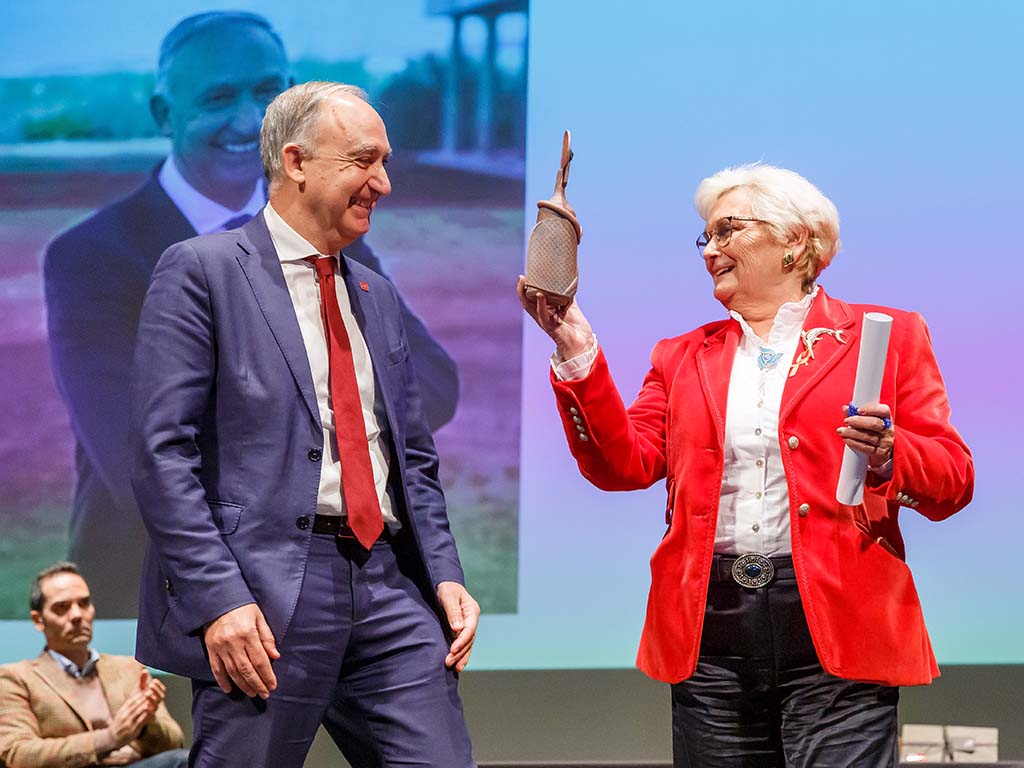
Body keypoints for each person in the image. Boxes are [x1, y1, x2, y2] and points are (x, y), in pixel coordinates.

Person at [519, 164, 974, 768]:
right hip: (712, 629)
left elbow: (953, 478)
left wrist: (892, 455)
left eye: (728, 230)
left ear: (795, 242)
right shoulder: (681, 355)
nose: (711, 250)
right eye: (705, 237)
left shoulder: (884, 336)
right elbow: (621, 464)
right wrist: (576, 350)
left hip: (839, 622)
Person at [42, 11, 458, 617]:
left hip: (335, 590)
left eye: (267, 92)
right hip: (157, 597)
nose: (248, 118)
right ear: (165, 114)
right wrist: (328, 411)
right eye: (218, 96)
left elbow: (435, 384)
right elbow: (138, 453)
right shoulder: (93, 256)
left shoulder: (330, 233)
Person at [129, 81, 478, 768]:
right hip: (262, 594)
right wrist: (218, 599)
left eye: (385, 162)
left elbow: (411, 454)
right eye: (363, 160)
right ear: (295, 162)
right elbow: (161, 454)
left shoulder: (376, 294)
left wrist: (443, 574)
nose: (383, 181)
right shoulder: (203, 270)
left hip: (389, 584)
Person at [0, 563, 188, 768]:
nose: (77, 615)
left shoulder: (129, 670)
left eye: (83, 603)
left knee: (188, 759)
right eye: (62, 608)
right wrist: (109, 740)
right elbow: (16, 753)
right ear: (38, 620)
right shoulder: (16, 678)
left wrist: (145, 724)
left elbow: (174, 744)